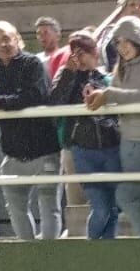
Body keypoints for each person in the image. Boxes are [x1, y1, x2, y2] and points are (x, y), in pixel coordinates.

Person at [0, 21, 61, 242]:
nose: (3, 44)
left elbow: (35, 96)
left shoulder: (32, 64)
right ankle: (29, 253)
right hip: (12, 152)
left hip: (45, 150)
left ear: (18, 39)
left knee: (49, 207)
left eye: (7, 38)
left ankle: (51, 254)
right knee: (16, 207)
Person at [87, 15, 140, 239]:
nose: (122, 47)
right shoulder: (120, 69)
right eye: (118, 42)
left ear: (139, 39)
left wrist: (108, 94)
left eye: (127, 41)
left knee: (126, 197)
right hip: (128, 140)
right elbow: (114, 96)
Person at [50, 32, 121, 240]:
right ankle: (92, 249)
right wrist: (68, 74)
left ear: (94, 53)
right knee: (100, 208)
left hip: (111, 148)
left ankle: (108, 254)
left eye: (83, 52)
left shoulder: (105, 78)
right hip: (83, 151)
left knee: (113, 209)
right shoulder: (67, 77)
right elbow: (54, 103)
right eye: (74, 52)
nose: (79, 57)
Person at [34, 15, 68, 82]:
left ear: (58, 36)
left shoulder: (65, 57)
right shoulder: (35, 59)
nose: (42, 36)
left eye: (46, 32)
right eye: (38, 33)